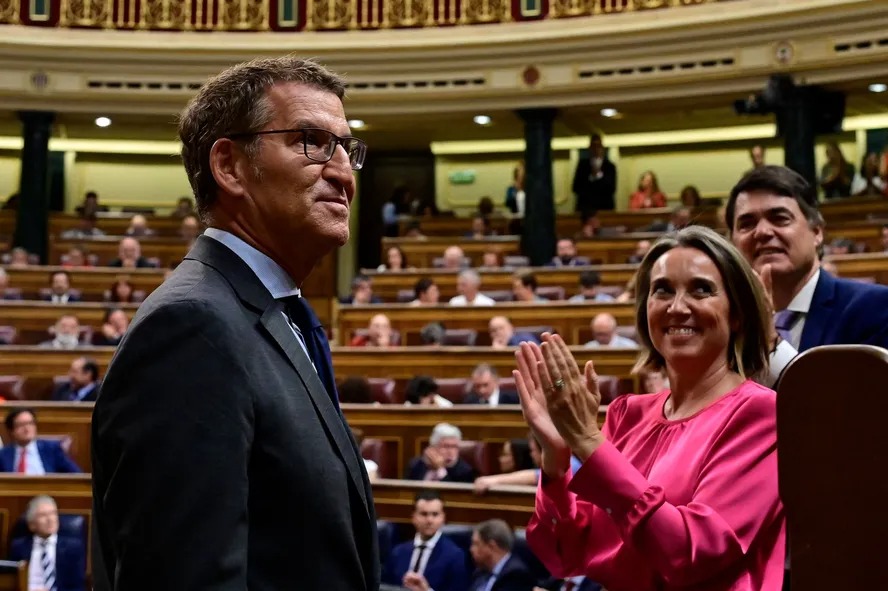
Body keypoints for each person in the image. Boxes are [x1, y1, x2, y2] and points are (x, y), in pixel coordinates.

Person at [91, 56, 379, 591]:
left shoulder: (278, 316)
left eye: (347, 149)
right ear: (229, 166)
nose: (342, 171)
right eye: (312, 142)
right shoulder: (191, 328)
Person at [517, 225, 785, 590]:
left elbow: (689, 553)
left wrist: (589, 442)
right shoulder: (627, 415)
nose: (677, 307)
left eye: (701, 289)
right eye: (662, 291)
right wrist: (556, 459)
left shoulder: (760, 414)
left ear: (737, 314)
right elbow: (566, 555)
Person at [725, 165, 888, 385]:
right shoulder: (724, 321)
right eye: (747, 224)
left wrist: (771, 343)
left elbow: (855, 412)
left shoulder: (874, 308)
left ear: (817, 232)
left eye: (780, 218)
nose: (762, 231)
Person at [382, 490, 470, 591]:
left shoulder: (455, 556)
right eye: (424, 514)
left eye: (435, 514)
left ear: (443, 518)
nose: (429, 520)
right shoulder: (398, 552)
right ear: (413, 517)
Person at [9, 495, 87, 591]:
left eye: (53, 513)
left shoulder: (73, 548)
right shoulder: (19, 547)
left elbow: (78, 587)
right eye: (43, 515)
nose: (50, 519)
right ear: (31, 524)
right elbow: (11, 582)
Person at [1, 409, 82, 473]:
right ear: (11, 431)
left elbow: (76, 474)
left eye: (30, 423)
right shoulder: (4, 454)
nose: (27, 429)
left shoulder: (52, 449)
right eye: (21, 425)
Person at [468, 519, 537, 591]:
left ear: (491, 546)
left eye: (476, 544)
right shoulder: (480, 572)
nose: (471, 549)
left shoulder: (516, 575)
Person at [405, 423, 475, 483]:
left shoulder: (464, 471)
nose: (450, 452)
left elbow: (453, 495)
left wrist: (440, 470)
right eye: (446, 446)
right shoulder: (416, 464)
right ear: (433, 448)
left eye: (454, 447)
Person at [572, 134, 617, 213]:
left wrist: (598, 175)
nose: (596, 149)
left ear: (602, 148)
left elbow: (612, 189)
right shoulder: (582, 166)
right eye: (593, 146)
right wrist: (591, 176)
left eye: (598, 146)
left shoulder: (610, 166)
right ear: (589, 148)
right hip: (585, 209)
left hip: (604, 209)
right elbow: (575, 188)